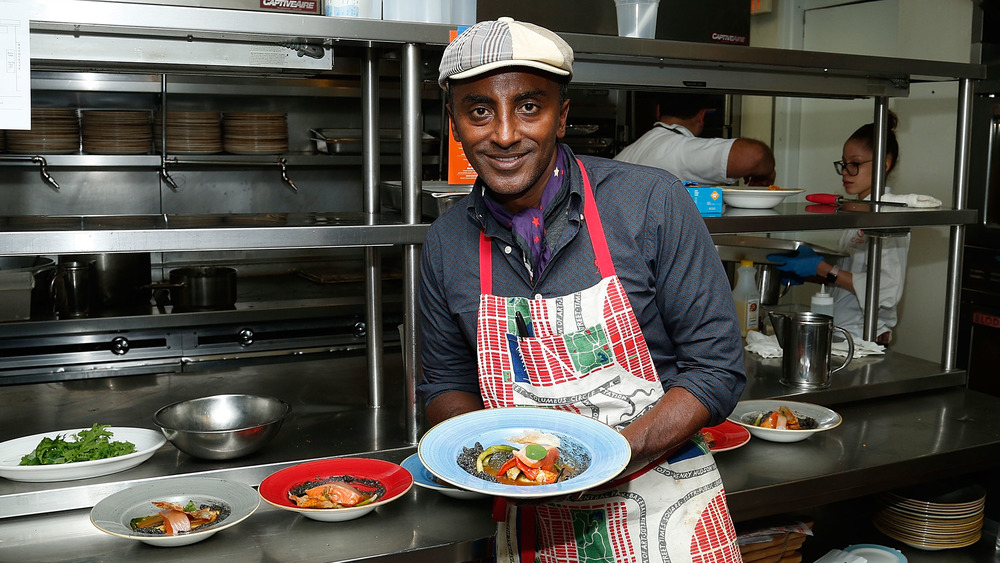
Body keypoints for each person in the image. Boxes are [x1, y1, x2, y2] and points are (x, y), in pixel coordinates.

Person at [419, 17, 746, 563]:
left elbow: (716, 369)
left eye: (529, 106)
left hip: (665, 507)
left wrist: (602, 458)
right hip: (531, 517)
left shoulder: (649, 203)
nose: (503, 133)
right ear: (454, 124)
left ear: (562, 115)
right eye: (479, 109)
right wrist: (502, 462)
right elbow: (442, 386)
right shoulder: (447, 243)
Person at [768, 111, 909, 345]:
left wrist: (823, 268)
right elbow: (849, 279)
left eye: (855, 164)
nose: (845, 172)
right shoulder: (858, 212)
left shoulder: (889, 215)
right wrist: (812, 272)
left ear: (885, 164)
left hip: (867, 337)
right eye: (844, 164)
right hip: (844, 332)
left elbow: (886, 290)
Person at [614, 92, 776, 186]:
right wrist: (766, 171)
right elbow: (756, 155)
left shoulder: (629, 152)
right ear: (701, 116)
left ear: (658, 112)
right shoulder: (679, 150)